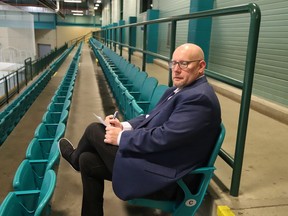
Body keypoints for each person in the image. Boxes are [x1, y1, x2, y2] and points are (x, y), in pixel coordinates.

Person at [58, 43, 221, 216]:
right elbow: (150, 117)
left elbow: (164, 137)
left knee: (93, 130)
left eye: (184, 64)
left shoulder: (199, 99)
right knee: (88, 161)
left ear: (201, 66)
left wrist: (121, 138)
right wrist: (123, 126)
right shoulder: (181, 90)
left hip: (166, 179)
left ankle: (73, 159)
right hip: (155, 160)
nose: (176, 69)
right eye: (173, 63)